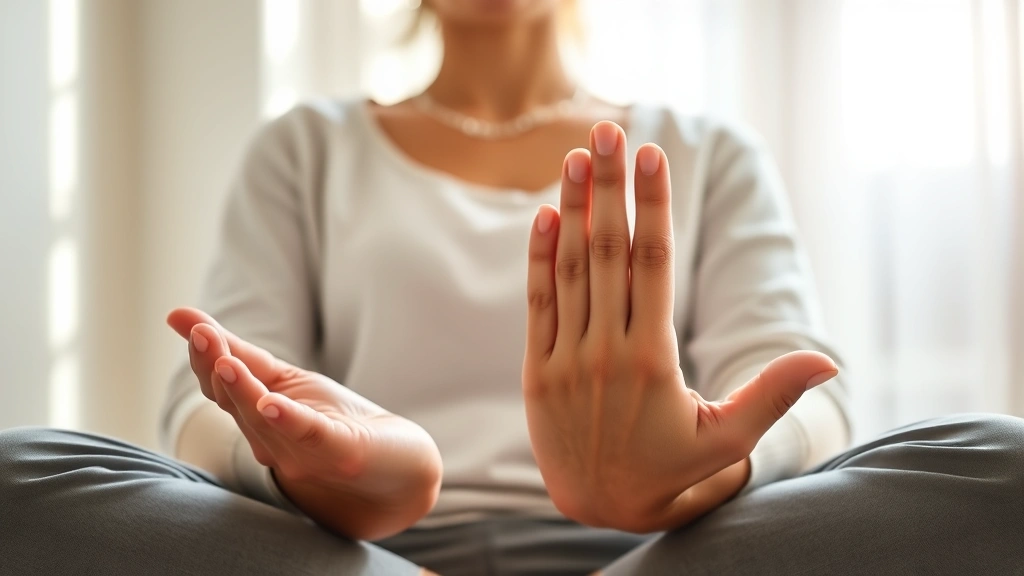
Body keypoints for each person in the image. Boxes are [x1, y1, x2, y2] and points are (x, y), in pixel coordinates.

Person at [1, 0, 1022, 574]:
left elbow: (807, 394)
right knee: (25, 473)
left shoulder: (707, 148)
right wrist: (327, 474)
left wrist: (702, 472)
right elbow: (208, 401)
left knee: (996, 462)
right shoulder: (306, 148)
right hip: (366, 562)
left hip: (661, 558)